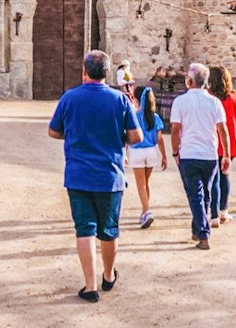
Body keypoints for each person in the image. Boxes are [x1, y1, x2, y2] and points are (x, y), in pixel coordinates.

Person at [48, 50, 142, 303]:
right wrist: (116, 138)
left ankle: (89, 286)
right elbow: (136, 137)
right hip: (109, 175)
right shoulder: (120, 100)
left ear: (84, 71)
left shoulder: (69, 98)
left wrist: (75, 135)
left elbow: (53, 132)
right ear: (108, 73)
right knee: (109, 229)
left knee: (84, 229)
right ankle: (108, 275)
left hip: (78, 175)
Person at [170, 63, 229, 251]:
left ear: (189, 81)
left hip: (188, 154)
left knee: (195, 194)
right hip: (209, 155)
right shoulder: (214, 102)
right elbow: (222, 129)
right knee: (206, 194)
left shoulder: (180, 101)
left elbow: (175, 130)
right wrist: (226, 154)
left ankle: (203, 235)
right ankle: (197, 229)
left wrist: (175, 152)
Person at [208, 66, 236, 225]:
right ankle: (223, 210)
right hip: (229, 144)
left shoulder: (209, 98)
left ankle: (213, 213)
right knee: (224, 175)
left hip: (211, 142)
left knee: (213, 178)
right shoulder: (234, 98)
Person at [127, 85, 167, 229]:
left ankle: (147, 211)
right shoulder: (155, 117)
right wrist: (164, 156)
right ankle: (145, 210)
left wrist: (124, 152)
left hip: (137, 151)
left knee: (140, 184)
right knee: (147, 181)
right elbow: (160, 138)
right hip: (151, 151)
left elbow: (129, 135)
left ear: (136, 99)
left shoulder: (134, 115)